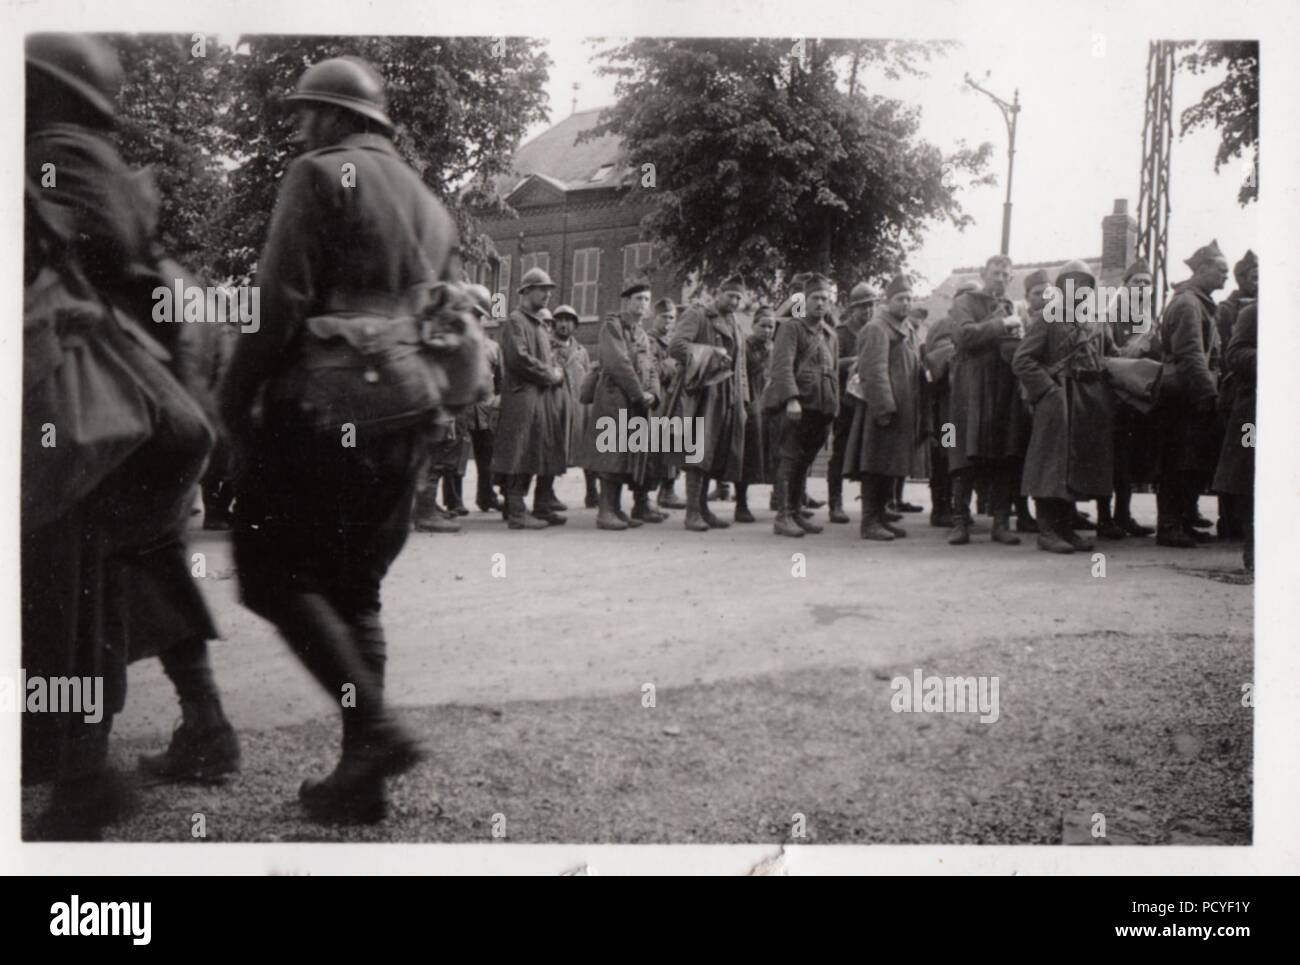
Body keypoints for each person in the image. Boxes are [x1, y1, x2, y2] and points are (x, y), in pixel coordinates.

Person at [221, 56, 456, 823]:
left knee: (269, 569)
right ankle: (364, 778)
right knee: (357, 587)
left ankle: (378, 735)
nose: (300, 127)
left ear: (333, 117)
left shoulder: (318, 175)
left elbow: (277, 297)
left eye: (306, 113)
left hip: (328, 405)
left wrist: (234, 397)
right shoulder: (428, 202)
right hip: (412, 406)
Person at [23, 35, 236, 840]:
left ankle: (81, 777)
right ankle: (198, 727)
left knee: (70, 596)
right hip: (148, 413)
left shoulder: (54, 158)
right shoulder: (106, 166)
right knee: (128, 581)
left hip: (96, 417)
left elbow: (96, 271)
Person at [1013, 261, 1117, 553]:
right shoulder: (1049, 318)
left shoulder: (1095, 321)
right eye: (1072, 284)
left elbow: (1109, 356)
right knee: (1051, 465)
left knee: (1074, 467)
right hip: (1058, 398)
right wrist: (1048, 389)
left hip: (1087, 398)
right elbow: (1022, 360)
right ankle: (1046, 531)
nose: (1079, 290)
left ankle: (1065, 528)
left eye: (1085, 284)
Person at [1153, 241, 1228, 548]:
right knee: (1177, 461)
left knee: (1190, 460)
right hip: (1184, 394)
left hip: (1190, 391)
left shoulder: (1197, 302)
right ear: (1202, 270)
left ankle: (1181, 521)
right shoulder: (1188, 303)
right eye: (1221, 271)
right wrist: (1206, 394)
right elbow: (1190, 354)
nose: (1226, 277)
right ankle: (1169, 527)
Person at [946, 256, 1024, 546]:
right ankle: (959, 522)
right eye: (995, 273)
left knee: (1005, 454)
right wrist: (1002, 324)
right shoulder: (965, 302)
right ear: (983, 273)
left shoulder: (1011, 307)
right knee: (964, 454)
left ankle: (1001, 523)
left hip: (1003, 387)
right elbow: (964, 335)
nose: (1001, 279)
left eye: (1006, 274)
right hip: (970, 388)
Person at [843, 275, 923, 540]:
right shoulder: (877, 328)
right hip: (883, 410)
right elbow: (873, 371)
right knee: (874, 465)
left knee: (890, 464)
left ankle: (881, 516)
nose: (906, 304)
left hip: (902, 408)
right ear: (887, 302)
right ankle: (869, 522)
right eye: (901, 299)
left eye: (909, 298)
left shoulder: (907, 328)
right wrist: (884, 408)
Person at [491, 267, 571, 529]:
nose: (547, 294)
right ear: (525, 291)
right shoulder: (515, 320)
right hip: (522, 399)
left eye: (549, 289)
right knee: (520, 451)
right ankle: (516, 511)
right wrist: (551, 374)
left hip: (538, 398)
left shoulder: (536, 322)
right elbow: (519, 359)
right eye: (542, 289)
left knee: (542, 449)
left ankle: (542, 506)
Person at [669, 274, 750, 531]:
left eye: (739, 297)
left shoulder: (736, 324)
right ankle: (692, 512)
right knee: (698, 449)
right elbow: (676, 346)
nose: (735, 301)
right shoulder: (699, 315)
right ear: (719, 292)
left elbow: (741, 365)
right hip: (703, 392)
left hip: (727, 394)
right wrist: (711, 357)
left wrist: (743, 398)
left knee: (716, 451)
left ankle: (703, 507)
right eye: (731, 296)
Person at [762, 274, 840, 537]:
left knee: (804, 461)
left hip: (821, 407)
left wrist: (834, 407)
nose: (821, 303)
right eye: (816, 298)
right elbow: (782, 366)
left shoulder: (830, 335)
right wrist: (791, 399)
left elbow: (834, 372)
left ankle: (795, 511)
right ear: (804, 301)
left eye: (825, 299)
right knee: (789, 458)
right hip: (797, 406)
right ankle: (783, 516)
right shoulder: (791, 329)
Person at [582, 283, 662, 529]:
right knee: (611, 455)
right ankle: (605, 511)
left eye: (647, 300)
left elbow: (651, 368)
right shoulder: (611, 326)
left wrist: (653, 393)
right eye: (638, 299)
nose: (643, 304)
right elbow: (618, 363)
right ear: (626, 302)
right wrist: (640, 393)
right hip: (614, 399)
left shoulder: (642, 335)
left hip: (634, 402)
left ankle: (616, 508)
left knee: (624, 456)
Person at [1096, 260, 1159, 538]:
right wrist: (1132, 352)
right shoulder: (1112, 315)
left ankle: (1123, 514)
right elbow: (1106, 355)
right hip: (1113, 397)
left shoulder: (1148, 317)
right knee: (1111, 460)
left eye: (1147, 283)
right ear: (1126, 286)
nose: (1142, 287)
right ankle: (1105, 518)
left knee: (1129, 459)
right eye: (1137, 282)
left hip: (1137, 397)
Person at [1211, 249, 1257, 541]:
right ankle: (1232, 523)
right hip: (1247, 401)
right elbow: (1234, 352)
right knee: (1241, 464)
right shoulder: (1244, 311)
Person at [826, 282, 876, 523]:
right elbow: (830, 365)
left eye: (871, 306)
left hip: (870, 401)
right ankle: (835, 502)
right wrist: (856, 361)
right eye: (862, 307)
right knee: (840, 451)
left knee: (870, 451)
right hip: (847, 401)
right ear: (852, 309)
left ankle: (876, 504)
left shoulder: (878, 330)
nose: (867, 311)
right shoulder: (841, 333)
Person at [549, 303, 595, 511]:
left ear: (575, 325)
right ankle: (547, 493)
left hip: (579, 407)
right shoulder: (547, 347)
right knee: (553, 450)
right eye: (560, 320)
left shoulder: (581, 351)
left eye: (569, 320)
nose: (564, 324)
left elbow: (587, 377)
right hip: (556, 407)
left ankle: (592, 492)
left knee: (587, 449)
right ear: (553, 324)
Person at [464, 284, 504, 513]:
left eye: (479, 316)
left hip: (486, 410)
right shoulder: (457, 342)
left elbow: (500, 379)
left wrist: (497, 398)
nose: (475, 320)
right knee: (455, 460)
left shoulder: (493, 347)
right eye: (472, 315)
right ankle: (454, 500)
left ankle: (486, 495)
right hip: (462, 409)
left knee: (487, 457)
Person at [735, 304, 776, 522]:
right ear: (754, 325)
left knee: (769, 455)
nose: (768, 330)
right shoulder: (745, 346)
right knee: (746, 457)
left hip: (767, 406)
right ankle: (741, 503)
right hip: (750, 404)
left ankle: (780, 498)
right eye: (763, 325)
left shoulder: (773, 347)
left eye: (771, 326)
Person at [646, 297, 687, 510]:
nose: (668, 322)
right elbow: (650, 369)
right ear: (655, 317)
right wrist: (672, 366)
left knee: (676, 444)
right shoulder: (649, 341)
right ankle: (648, 496)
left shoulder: (673, 342)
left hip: (675, 401)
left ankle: (669, 490)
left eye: (672, 318)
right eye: (664, 317)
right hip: (659, 401)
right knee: (656, 450)